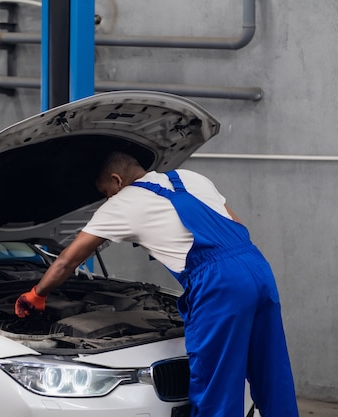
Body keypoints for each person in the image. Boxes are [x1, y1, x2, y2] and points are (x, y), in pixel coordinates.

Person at [15, 151, 298, 417]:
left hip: (218, 282)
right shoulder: (190, 177)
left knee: (216, 384)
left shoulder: (122, 203)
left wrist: (36, 294)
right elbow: (235, 225)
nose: (107, 198)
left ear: (116, 180)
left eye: (105, 192)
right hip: (256, 266)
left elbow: (67, 261)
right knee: (271, 370)